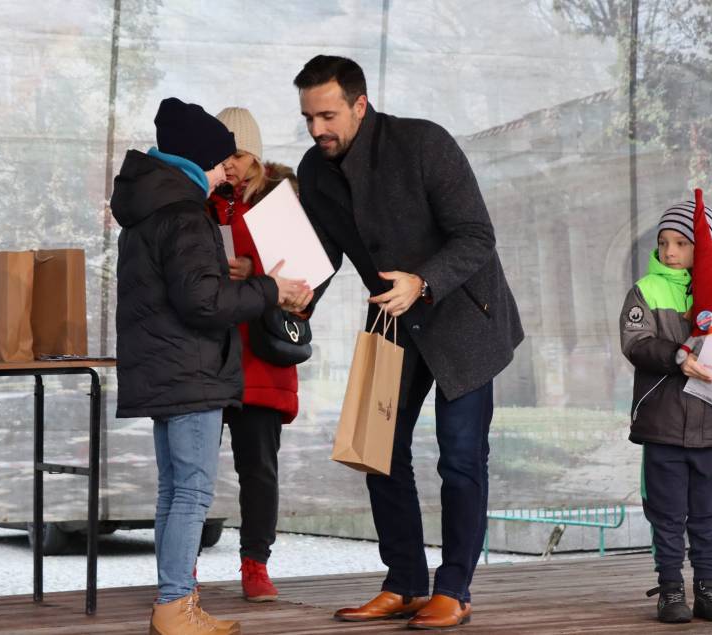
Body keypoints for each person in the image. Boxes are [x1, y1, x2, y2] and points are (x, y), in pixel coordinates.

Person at [293, 55, 523, 629]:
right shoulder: (314, 170)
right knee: (379, 452)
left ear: (359, 105)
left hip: (465, 318)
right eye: (308, 118)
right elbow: (322, 254)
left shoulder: (424, 143)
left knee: (461, 457)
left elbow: (476, 236)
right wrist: (294, 293)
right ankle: (405, 584)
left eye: (327, 116)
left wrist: (422, 281)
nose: (317, 129)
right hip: (392, 323)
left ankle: (454, 589)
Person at [111, 97, 309, 635]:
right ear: (198, 159)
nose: (225, 173)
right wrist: (269, 288)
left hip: (167, 368)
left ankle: (176, 601)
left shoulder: (148, 208)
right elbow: (204, 302)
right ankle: (177, 604)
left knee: (175, 489)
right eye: (220, 162)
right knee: (193, 490)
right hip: (192, 369)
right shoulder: (184, 214)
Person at [619, 199, 712, 624]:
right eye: (663, 242)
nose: (670, 251)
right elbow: (635, 343)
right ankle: (670, 588)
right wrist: (678, 356)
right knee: (665, 513)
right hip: (662, 424)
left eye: (681, 243)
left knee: (709, 513)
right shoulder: (646, 290)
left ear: (705, 246)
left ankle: (707, 586)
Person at [207, 106, 309, 602]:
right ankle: (183, 567)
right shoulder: (201, 201)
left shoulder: (278, 201)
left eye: (239, 154)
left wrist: (255, 273)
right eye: (221, 155)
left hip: (262, 356)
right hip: (208, 355)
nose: (229, 164)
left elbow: (304, 287)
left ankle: (255, 565)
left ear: (256, 155)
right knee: (192, 469)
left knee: (259, 469)